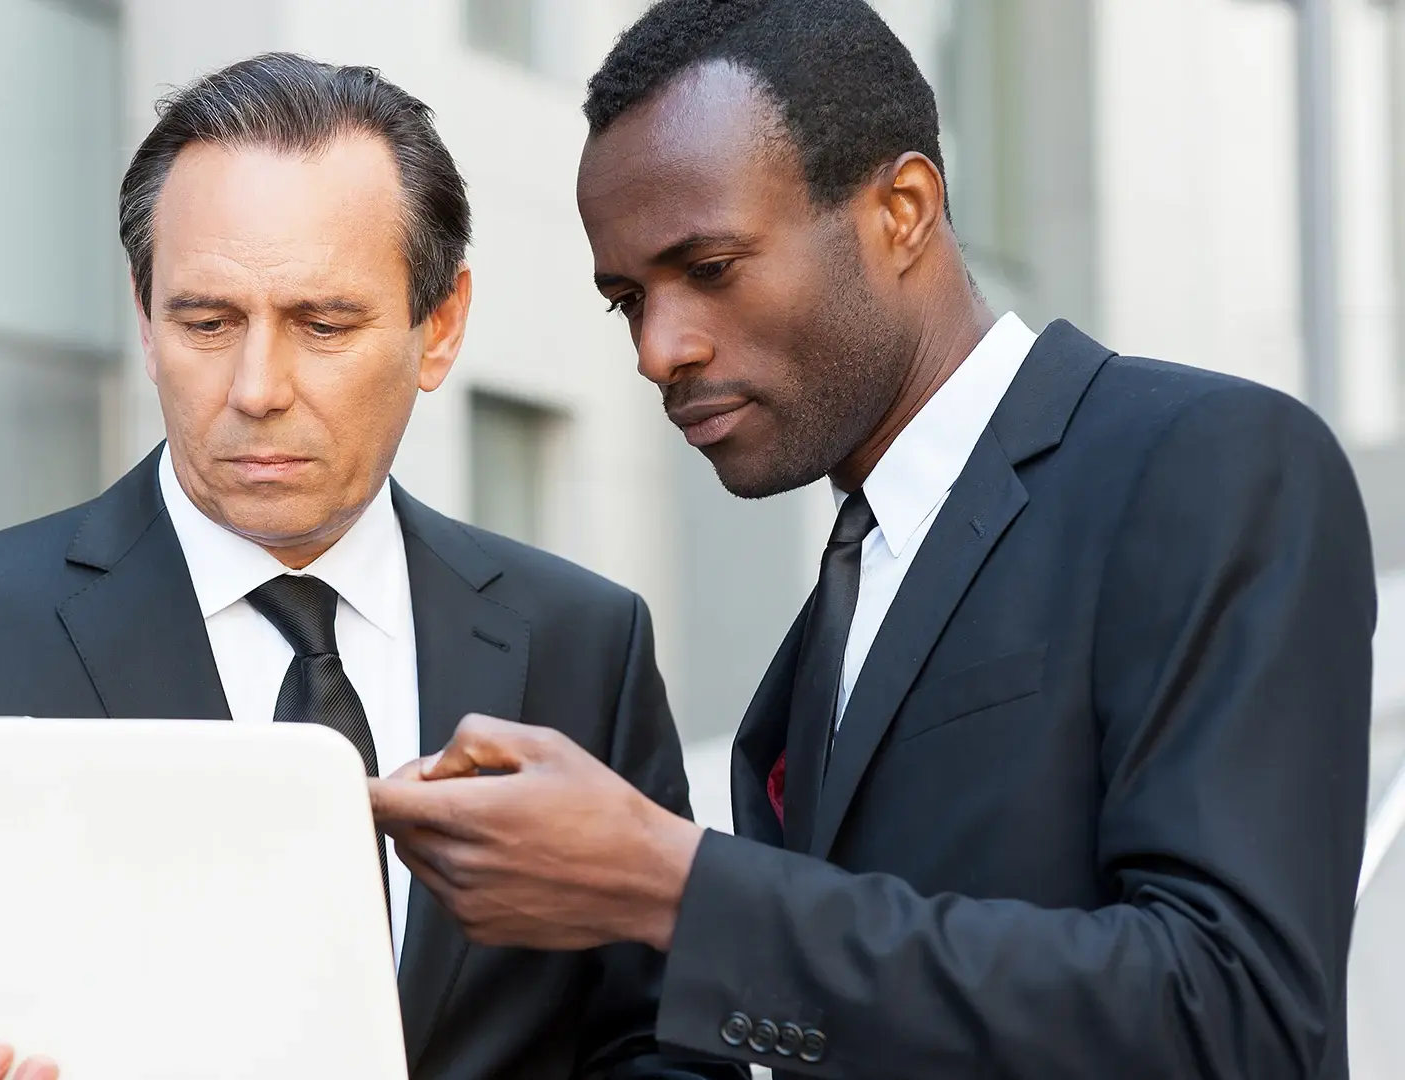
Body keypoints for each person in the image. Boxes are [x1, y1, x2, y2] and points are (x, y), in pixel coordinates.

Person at [369, 2, 1377, 1078]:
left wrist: (673, 883)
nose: (661, 350)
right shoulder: (848, 593)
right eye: (628, 300)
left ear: (902, 210)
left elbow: (1236, 1016)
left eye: (708, 268)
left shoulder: (1207, 463)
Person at [0, 52, 741, 1080]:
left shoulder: (584, 643)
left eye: (323, 324)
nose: (257, 387)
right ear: (144, 317)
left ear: (439, 328)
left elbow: (667, 1046)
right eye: (208, 322)